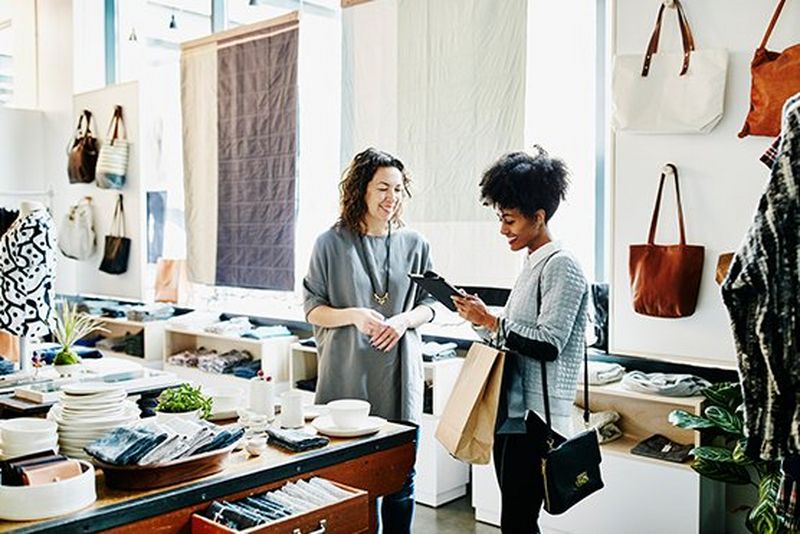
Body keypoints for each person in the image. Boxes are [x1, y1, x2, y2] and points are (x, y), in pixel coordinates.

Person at [452, 147, 589, 534]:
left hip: (537, 416)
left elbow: (549, 343)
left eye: (509, 220)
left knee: (518, 518)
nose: (503, 229)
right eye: (501, 218)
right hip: (514, 409)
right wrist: (478, 320)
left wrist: (491, 319)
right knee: (515, 515)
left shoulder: (562, 265)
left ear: (539, 216)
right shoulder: (532, 263)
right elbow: (510, 337)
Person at [302, 147, 436, 533]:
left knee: (400, 478)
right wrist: (354, 316)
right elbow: (313, 309)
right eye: (381, 188)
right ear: (360, 190)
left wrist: (403, 320)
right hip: (347, 375)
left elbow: (431, 305)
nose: (390, 198)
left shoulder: (415, 243)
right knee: (346, 483)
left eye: (397, 189)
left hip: (398, 375)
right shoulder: (330, 243)